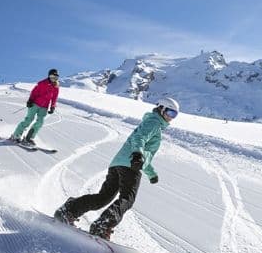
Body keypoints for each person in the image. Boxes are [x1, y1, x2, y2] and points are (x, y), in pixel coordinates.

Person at [54, 97, 179, 240]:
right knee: (127, 199)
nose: (171, 117)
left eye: (174, 115)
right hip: (130, 165)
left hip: (118, 164)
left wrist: (151, 173)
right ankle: (103, 225)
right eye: (170, 112)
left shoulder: (151, 122)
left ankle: (69, 210)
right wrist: (137, 154)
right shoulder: (154, 123)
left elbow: (145, 153)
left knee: (103, 197)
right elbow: (139, 138)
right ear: (162, 108)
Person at [11, 69, 60, 145]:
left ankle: (29, 137)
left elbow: (54, 98)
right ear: (49, 76)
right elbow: (34, 92)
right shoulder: (42, 83)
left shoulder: (56, 87)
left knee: (40, 122)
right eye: (52, 76)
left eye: (56, 77)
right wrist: (30, 100)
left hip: (44, 107)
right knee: (29, 120)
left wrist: (52, 107)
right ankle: (16, 135)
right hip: (35, 104)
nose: (54, 79)